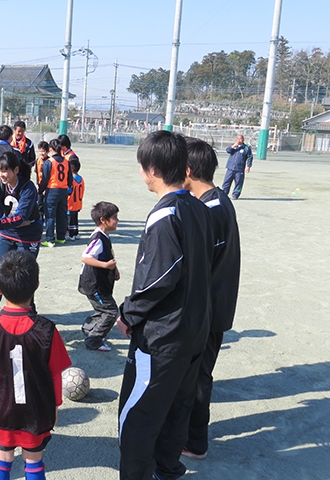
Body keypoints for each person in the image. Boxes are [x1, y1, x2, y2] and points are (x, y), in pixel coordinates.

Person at [116, 130, 213, 480]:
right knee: (177, 409)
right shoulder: (199, 207)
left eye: (142, 166)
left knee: (136, 418)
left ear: (153, 169)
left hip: (163, 338)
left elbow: (159, 278)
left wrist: (128, 314)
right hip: (194, 329)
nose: (141, 173)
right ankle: (168, 470)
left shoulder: (165, 215)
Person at [0, 250, 71, 480]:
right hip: (36, 410)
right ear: (37, 285)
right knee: (33, 459)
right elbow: (55, 374)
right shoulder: (47, 330)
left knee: (2, 456)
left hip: (1, 405)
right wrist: (56, 404)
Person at [182, 137, 241, 460]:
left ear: (188, 170)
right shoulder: (217, 201)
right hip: (212, 306)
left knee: (199, 377)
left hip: (207, 310)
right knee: (196, 374)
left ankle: (195, 441)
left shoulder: (209, 210)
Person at [0, 152, 42, 323]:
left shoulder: (28, 188)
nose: (1, 174)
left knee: (25, 275)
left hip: (28, 236)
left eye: (5, 170)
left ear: (16, 170)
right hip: (7, 234)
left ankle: (28, 309)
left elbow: (20, 217)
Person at [79, 201, 120, 352]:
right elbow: (86, 257)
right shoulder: (98, 238)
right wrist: (105, 266)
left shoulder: (104, 235)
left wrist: (114, 268)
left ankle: (89, 326)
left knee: (103, 309)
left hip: (99, 283)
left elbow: (108, 254)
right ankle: (94, 340)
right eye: (115, 217)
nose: (117, 221)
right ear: (103, 220)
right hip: (94, 285)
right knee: (110, 311)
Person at [39, 139, 72, 247]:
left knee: (50, 216)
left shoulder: (49, 162)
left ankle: (50, 239)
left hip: (52, 190)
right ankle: (61, 237)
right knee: (62, 215)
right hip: (63, 191)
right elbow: (70, 178)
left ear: (50, 149)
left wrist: (40, 191)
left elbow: (45, 179)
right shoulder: (66, 161)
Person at [222, 134, 253, 199]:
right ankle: (224, 194)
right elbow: (227, 150)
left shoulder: (246, 148)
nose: (239, 140)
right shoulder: (234, 146)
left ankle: (235, 195)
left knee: (238, 183)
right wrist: (233, 146)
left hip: (239, 169)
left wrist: (249, 166)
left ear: (243, 140)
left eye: (240, 139)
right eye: (238, 139)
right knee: (226, 182)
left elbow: (250, 157)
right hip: (230, 168)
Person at [66, 158, 84, 240]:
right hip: (78, 202)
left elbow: (69, 191)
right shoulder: (81, 179)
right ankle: (76, 233)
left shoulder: (72, 180)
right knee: (75, 219)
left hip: (70, 202)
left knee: (70, 219)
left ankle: (71, 234)